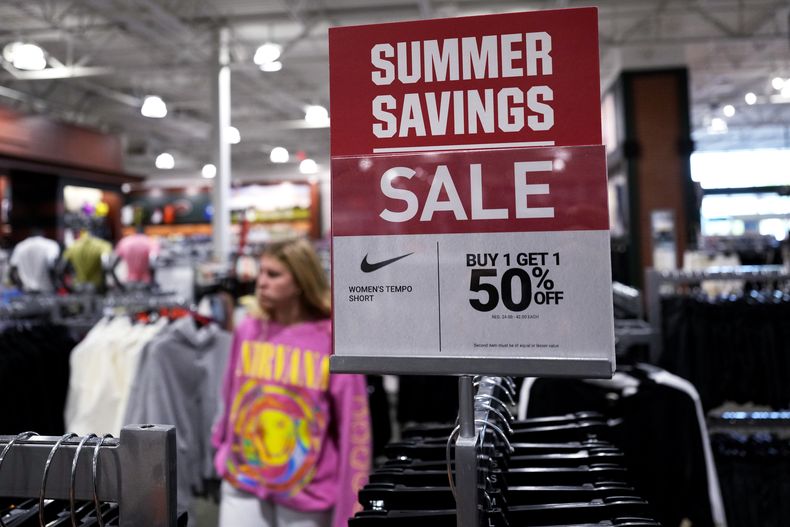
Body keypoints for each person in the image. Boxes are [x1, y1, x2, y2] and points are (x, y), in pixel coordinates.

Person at [212, 238, 371, 527]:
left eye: (273, 275)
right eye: (261, 272)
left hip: (307, 491)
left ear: (300, 281)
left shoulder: (330, 339)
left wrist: (352, 501)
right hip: (243, 480)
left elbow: (353, 423)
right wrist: (221, 444)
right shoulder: (248, 329)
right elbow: (231, 393)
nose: (261, 282)